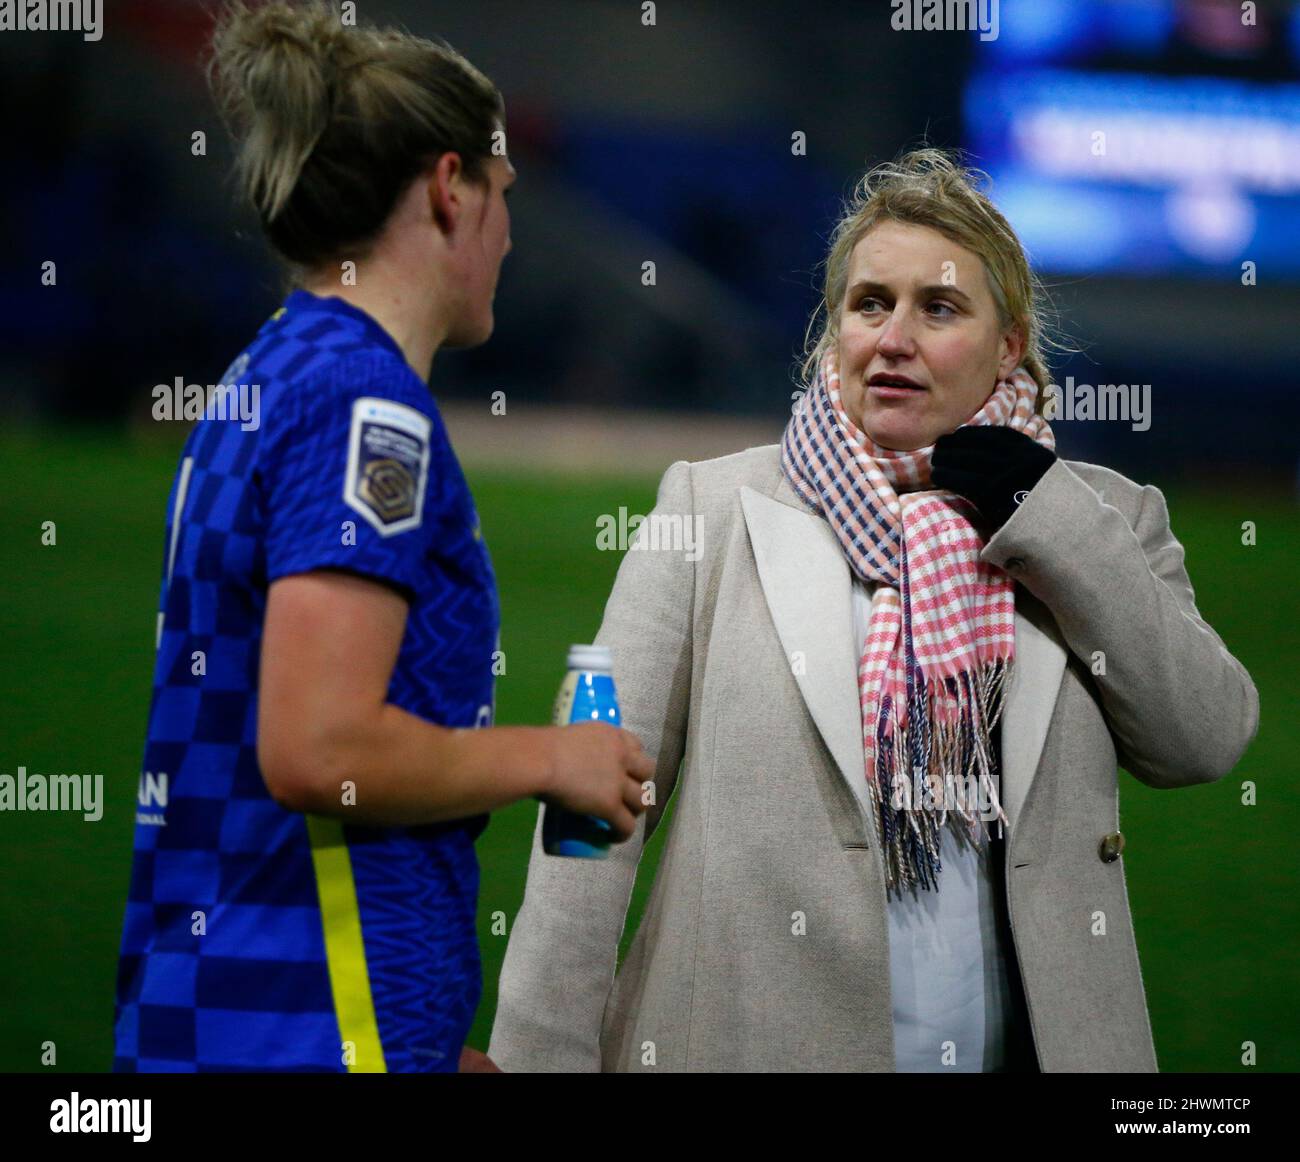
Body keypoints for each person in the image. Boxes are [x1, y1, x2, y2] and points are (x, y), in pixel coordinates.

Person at [489, 147, 1260, 1072]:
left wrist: (1049, 520)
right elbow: (589, 819)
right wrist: (537, 1057)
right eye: (869, 304)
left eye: (937, 309)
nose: (893, 337)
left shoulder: (1103, 521)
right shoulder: (709, 511)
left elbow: (1202, 739)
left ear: (1008, 343)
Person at [112, 0, 651, 1074]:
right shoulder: (368, 407)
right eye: (503, 192)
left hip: (237, 1013)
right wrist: (551, 757)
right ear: (450, 188)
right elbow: (320, 749)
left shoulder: (266, 370)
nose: (508, 227)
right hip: (307, 1029)